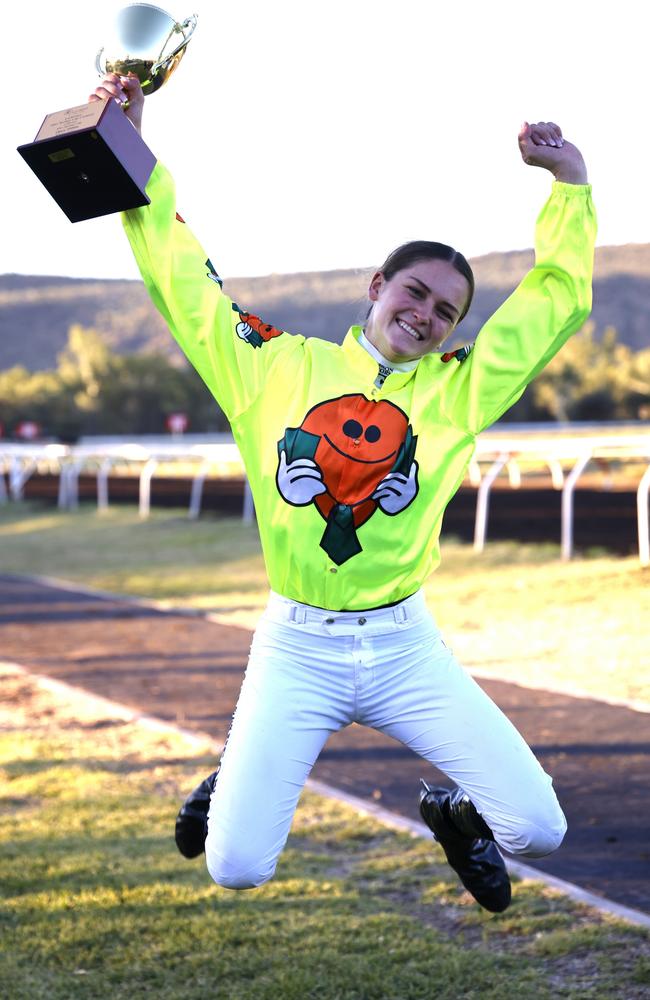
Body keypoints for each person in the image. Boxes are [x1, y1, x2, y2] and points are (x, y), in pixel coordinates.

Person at [90, 73, 595, 913]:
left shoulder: (458, 390)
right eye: (414, 293)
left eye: (446, 311)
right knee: (236, 867)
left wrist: (570, 188)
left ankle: (457, 816)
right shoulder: (272, 364)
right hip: (298, 648)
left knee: (540, 830)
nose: (426, 315)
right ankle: (237, 775)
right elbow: (180, 278)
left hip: (404, 648)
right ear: (375, 288)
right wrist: (129, 147)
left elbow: (556, 305)